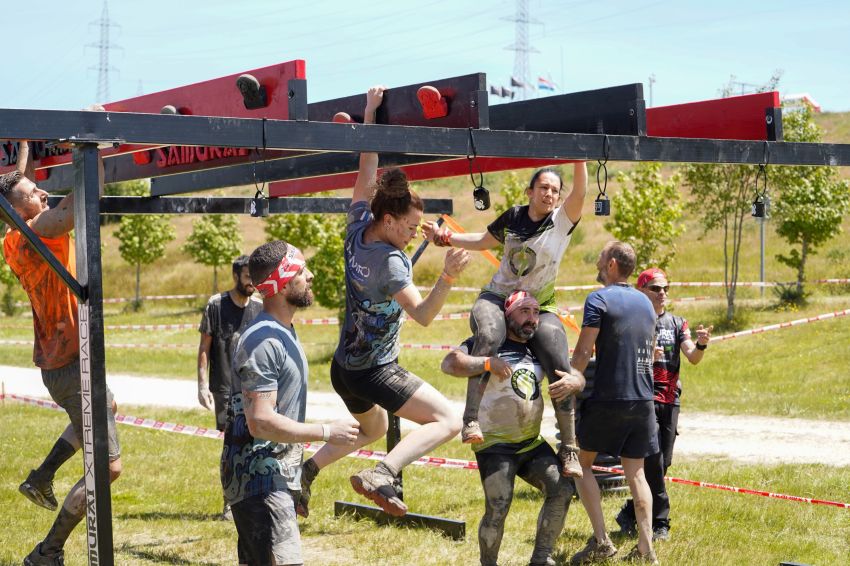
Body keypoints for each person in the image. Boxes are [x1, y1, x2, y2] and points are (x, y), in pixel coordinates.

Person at [297, 85, 470, 518]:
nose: (416, 233)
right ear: (389, 220)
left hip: (344, 367)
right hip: (376, 371)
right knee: (447, 420)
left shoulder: (359, 224)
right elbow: (425, 316)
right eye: (411, 227)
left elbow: (367, 162)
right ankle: (384, 474)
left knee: (370, 427)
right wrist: (447, 274)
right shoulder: (392, 265)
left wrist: (370, 111)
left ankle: (306, 472)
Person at [422, 160, 587, 478]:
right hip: (498, 298)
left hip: (538, 304)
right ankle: (470, 419)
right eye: (543, 188)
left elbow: (580, 191)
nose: (549, 194)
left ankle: (568, 449)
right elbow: (483, 241)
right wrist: (444, 238)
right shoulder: (513, 217)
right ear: (530, 191)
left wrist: (580, 158)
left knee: (559, 364)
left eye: (554, 190)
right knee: (490, 336)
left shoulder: (562, 221)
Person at [1, 141, 123, 565]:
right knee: (107, 469)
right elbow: (84, 198)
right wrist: (94, 147)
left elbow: (14, 191)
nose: (43, 193)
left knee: (102, 406)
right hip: (74, 363)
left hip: (58, 362)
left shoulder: (12, 238)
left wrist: (23, 153)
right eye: (36, 194)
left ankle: (42, 476)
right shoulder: (41, 231)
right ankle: (47, 551)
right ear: (25, 210)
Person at [220, 240, 360, 565]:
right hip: (259, 479)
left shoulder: (284, 330)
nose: (309, 276)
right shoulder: (264, 340)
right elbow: (261, 422)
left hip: (275, 476)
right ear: (281, 282)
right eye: (301, 270)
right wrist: (326, 431)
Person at [441, 290, 584, 566]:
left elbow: (574, 372)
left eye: (535, 312)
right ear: (507, 315)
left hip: (530, 442)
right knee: (498, 507)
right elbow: (449, 363)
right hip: (494, 444)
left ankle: (541, 558)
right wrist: (486, 363)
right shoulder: (485, 344)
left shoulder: (539, 349)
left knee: (562, 490)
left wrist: (575, 382)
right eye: (524, 311)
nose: (532, 319)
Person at [569, 241, 659, 565]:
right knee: (636, 474)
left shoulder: (598, 299)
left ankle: (602, 541)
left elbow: (582, 353)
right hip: (643, 398)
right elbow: (648, 351)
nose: (597, 259)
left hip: (609, 397)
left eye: (600, 255)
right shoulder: (648, 304)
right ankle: (646, 548)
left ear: (610, 265)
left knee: (581, 464)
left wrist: (570, 380)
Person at [615, 267, 713, 542]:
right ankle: (660, 523)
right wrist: (647, 352)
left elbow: (692, 357)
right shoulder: (633, 322)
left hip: (671, 399)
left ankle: (628, 512)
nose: (662, 293)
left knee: (663, 462)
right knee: (654, 462)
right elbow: (621, 358)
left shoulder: (677, 322)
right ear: (641, 291)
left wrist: (702, 344)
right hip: (644, 397)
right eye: (656, 288)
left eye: (665, 289)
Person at [197, 254, 263, 519]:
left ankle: (251, 498)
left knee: (254, 444)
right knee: (232, 446)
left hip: (253, 388)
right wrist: (202, 386)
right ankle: (229, 502)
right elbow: (204, 349)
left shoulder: (259, 306)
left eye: (254, 278)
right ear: (236, 275)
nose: (252, 283)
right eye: (248, 277)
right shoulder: (216, 304)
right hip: (224, 387)